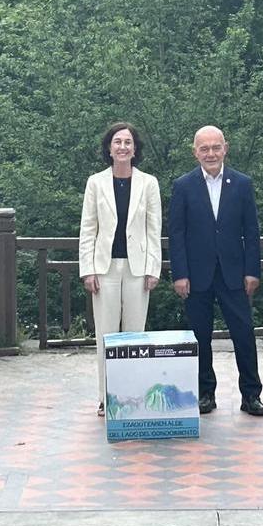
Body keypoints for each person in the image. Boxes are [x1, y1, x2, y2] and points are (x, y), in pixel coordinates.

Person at [169, 125, 263, 417]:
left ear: (226, 148)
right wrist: (180, 274)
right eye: (204, 148)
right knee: (199, 337)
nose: (210, 153)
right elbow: (176, 233)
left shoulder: (241, 183)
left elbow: (252, 231)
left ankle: (251, 395)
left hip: (234, 273)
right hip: (196, 274)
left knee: (244, 334)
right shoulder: (183, 185)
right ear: (195, 152)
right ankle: (205, 393)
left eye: (215, 147)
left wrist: (252, 270)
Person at [78, 122, 163, 418]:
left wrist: (154, 268)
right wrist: (87, 270)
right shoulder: (95, 183)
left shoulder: (149, 183)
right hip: (104, 268)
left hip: (138, 268)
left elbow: (154, 229)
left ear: (135, 148)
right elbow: (88, 229)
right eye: (117, 142)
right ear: (109, 148)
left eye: (128, 142)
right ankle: (107, 397)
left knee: (134, 335)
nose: (123, 147)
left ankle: (132, 396)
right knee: (106, 334)